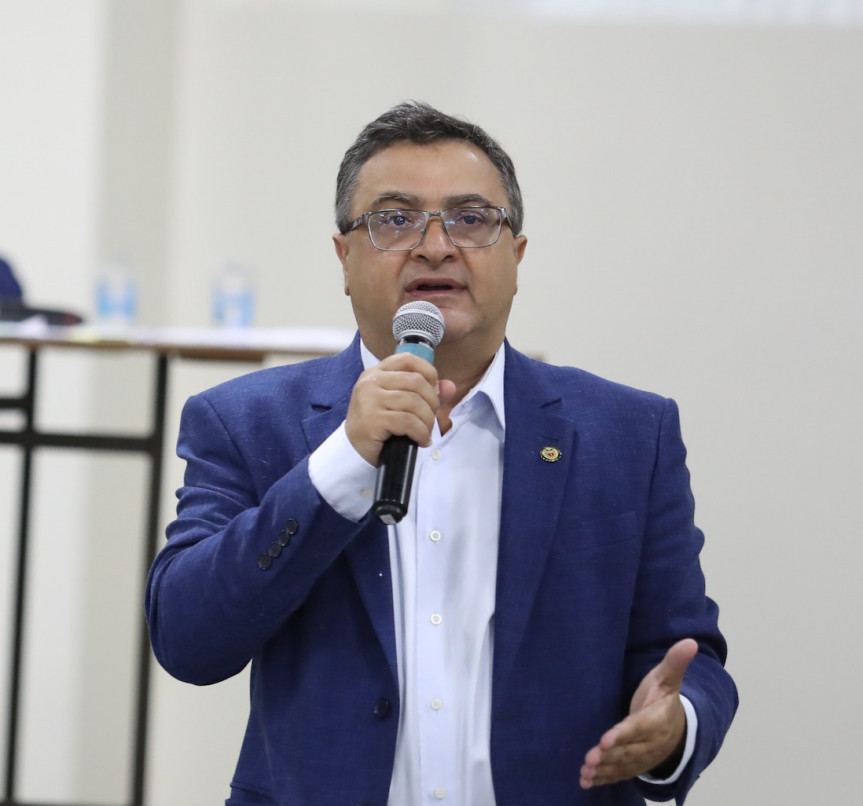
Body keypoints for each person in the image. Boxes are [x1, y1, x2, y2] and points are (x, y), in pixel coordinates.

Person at [146, 101, 737, 806]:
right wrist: (341, 465)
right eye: (394, 219)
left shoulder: (626, 434)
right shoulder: (246, 422)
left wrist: (676, 726)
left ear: (515, 258)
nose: (434, 246)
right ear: (344, 256)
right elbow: (188, 640)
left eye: (469, 219)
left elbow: (688, 654)